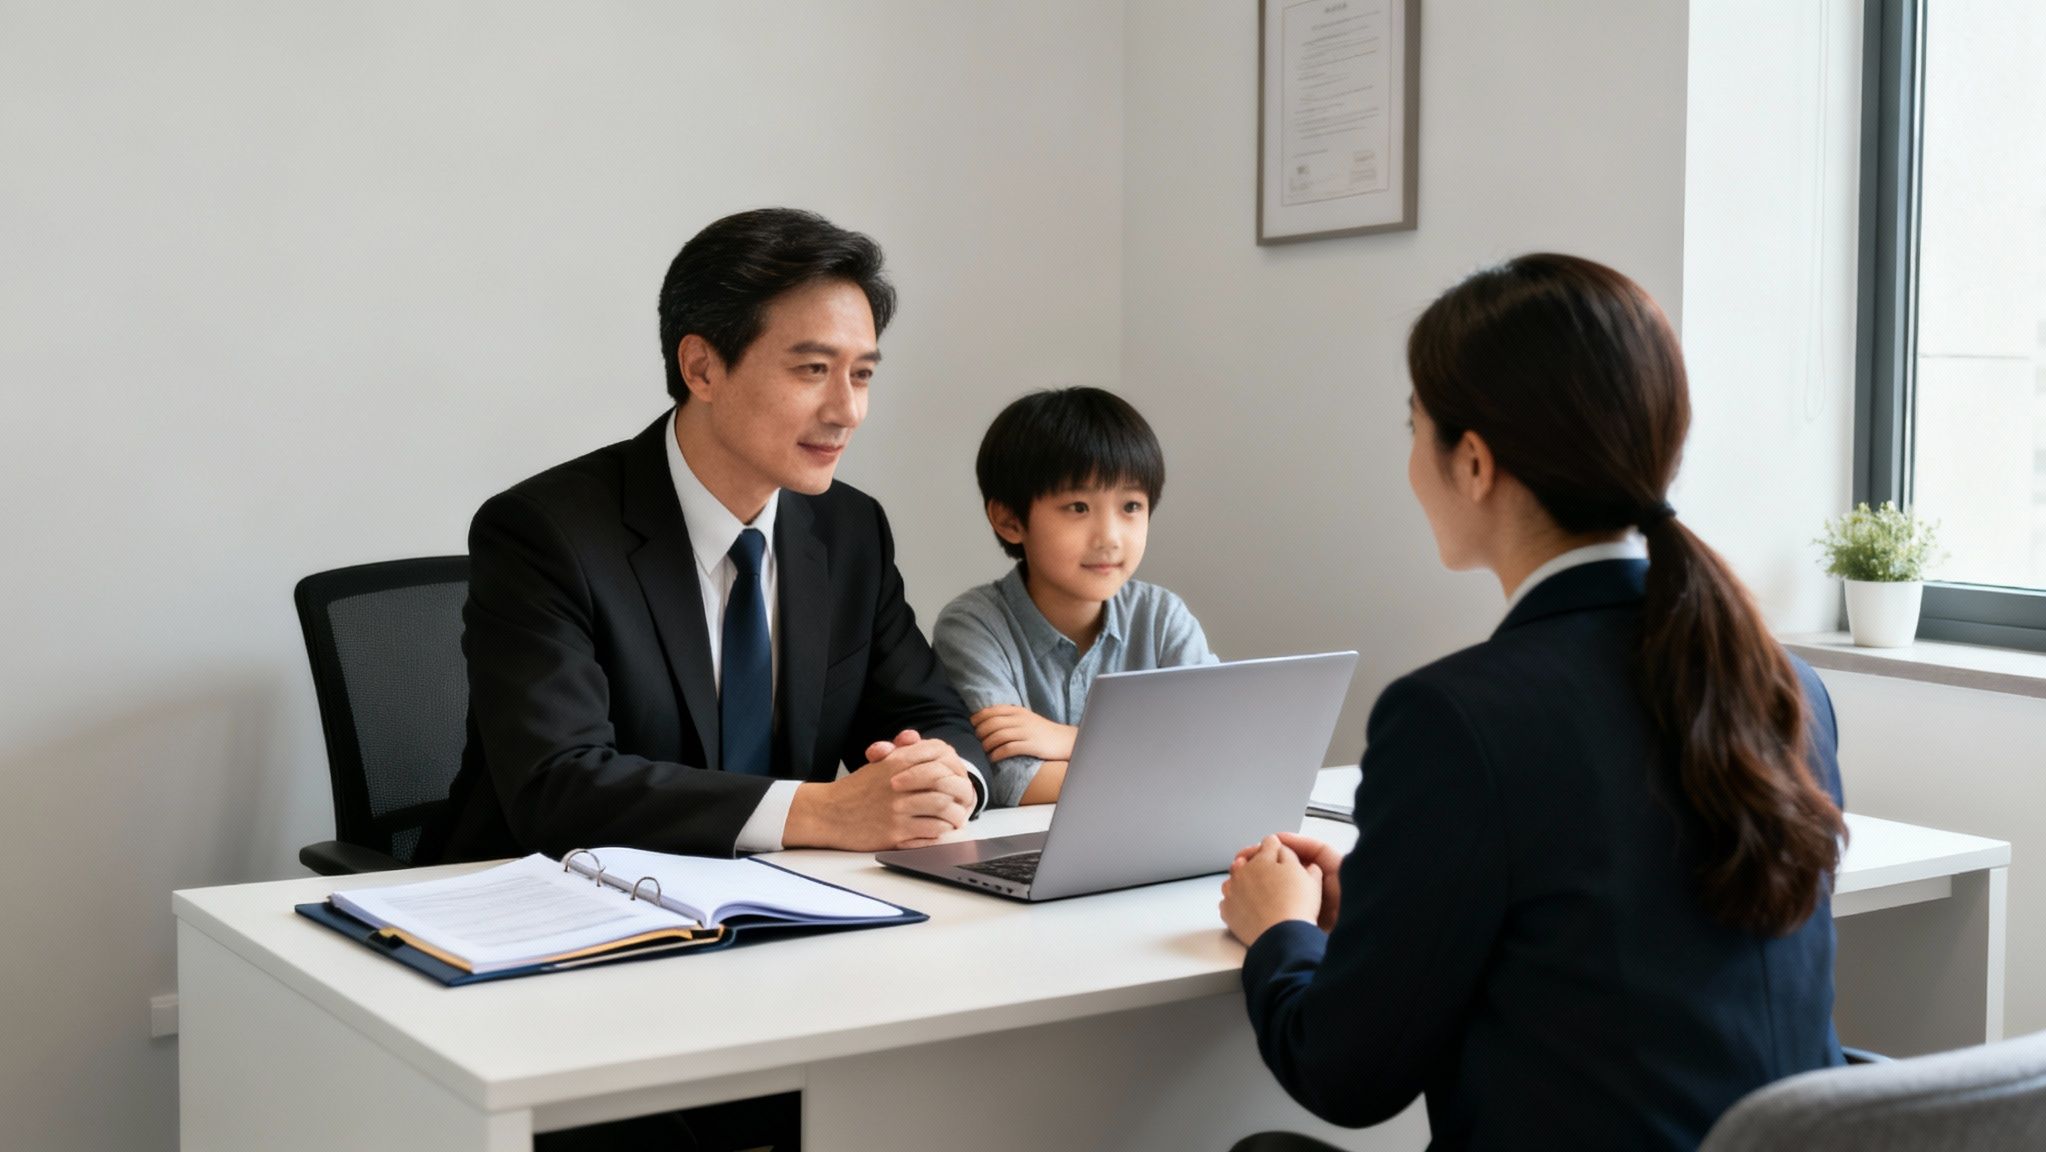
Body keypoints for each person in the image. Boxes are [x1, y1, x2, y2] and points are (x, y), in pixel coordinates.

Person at [1218, 254, 1848, 1151]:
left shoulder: (1454, 718)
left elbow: (1344, 1075)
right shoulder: (1789, 688)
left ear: (1472, 462)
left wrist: (1279, 928)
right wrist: (1393, 906)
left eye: (1415, 428)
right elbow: (1609, 940)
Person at [421, 207, 990, 871]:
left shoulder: (850, 528)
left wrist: (946, 782)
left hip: (778, 910)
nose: (848, 412)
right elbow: (558, 784)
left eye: (861, 374)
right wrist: (820, 810)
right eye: (812, 370)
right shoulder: (544, 532)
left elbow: (932, 716)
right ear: (702, 368)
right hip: (551, 911)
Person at [931, 387, 1217, 806]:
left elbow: (1215, 749)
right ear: (1010, 520)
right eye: (1078, 507)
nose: (1110, 538)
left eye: (1132, 506)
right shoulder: (973, 626)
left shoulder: (1161, 617)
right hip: (1027, 854)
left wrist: (1069, 741)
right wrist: (1163, 759)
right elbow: (1012, 780)